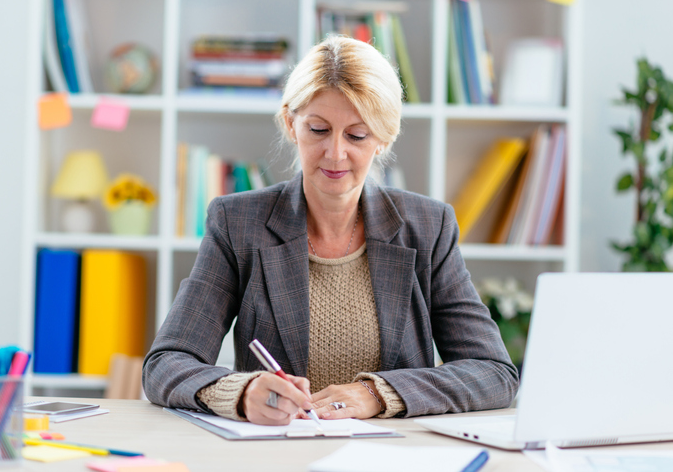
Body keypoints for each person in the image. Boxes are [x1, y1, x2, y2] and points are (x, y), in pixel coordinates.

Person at [143, 35, 518, 425]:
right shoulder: (238, 223)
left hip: (393, 458)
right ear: (291, 124)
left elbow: (494, 373)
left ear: (384, 138)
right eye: (319, 130)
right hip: (277, 456)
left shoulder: (427, 227)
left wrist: (377, 393)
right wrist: (239, 393)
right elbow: (165, 364)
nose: (336, 154)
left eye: (357, 135)